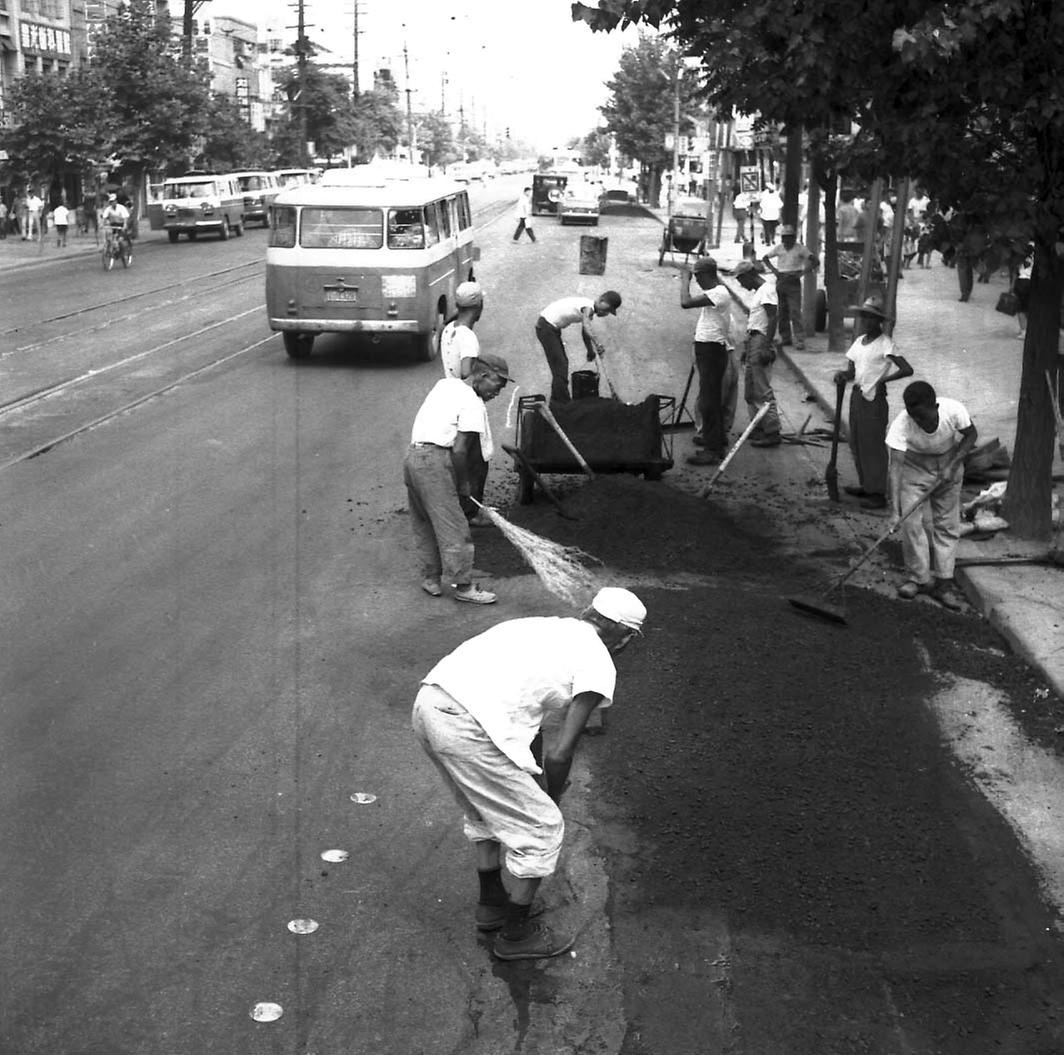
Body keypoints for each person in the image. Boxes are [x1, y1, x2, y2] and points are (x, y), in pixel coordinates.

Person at [412, 586, 646, 961]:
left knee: (484, 806)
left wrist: (531, 777)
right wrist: (550, 798)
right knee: (542, 827)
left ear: (590, 613)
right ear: (625, 635)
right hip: (470, 728)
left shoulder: (538, 627)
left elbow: (532, 728)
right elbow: (561, 750)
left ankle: (492, 905)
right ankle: (516, 936)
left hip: (429, 705)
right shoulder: (599, 662)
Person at [404, 352, 512, 603]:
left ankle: (431, 579)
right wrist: (464, 485)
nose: (499, 391)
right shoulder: (473, 404)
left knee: (424, 521)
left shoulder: (446, 384)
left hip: (412, 458)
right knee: (454, 525)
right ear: (483, 375)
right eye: (498, 383)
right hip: (434, 461)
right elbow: (461, 450)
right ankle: (464, 587)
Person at [887, 381, 978, 611]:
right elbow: (895, 468)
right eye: (914, 417)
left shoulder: (953, 410)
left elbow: (971, 434)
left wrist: (954, 463)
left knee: (946, 524)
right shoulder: (901, 424)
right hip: (914, 469)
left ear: (934, 406)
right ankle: (918, 578)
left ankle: (944, 583)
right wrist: (895, 511)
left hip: (949, 462)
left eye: (922, 416)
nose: (919, 422)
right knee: (911, 522)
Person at [833, 296, 913, 510]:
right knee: (856, 441)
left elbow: (907, 369)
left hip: (874, 399)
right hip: (857, 395)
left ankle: (878, 492)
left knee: (873, 445)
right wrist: (842, 375)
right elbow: (851, 371)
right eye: (864, 318)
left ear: (878, 321)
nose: (866, 322)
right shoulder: (859, 342)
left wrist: (884, 380)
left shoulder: (885, 343)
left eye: (870, 318)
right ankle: (866, 485)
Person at [439, 281, 491, 521]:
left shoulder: (449, 328)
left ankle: (462, 508)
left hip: (448, 394)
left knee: (462, 454)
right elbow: (466, 370)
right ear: (478, 306)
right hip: (463, 399)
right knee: (476, 459)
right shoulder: (468, 336)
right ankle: (470, 512)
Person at [721, 260, 781, 447]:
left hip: (761, 340)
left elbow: (773, 317)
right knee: (751, 389)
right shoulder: (759, 293)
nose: (740, 284)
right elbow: (757, 321)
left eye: (741, 279)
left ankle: (772, 431)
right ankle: (758, 427)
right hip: (754, 339)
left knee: (762, 389)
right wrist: (748, 348)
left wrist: (765, 346)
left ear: (749, 275)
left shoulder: (767, 289)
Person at [680, 256, 732, 465]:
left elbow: (685, 302)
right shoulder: (716, 292)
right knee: (709, 398)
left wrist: (684, 280)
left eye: (697, 277)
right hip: (708, 348)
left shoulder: (719, 292)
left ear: (706, 275)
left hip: (711, 350)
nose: (697, 281)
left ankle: (713, 448)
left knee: (709, 402)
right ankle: (715, 439)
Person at [535, 291, 621, 403]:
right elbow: (586, 326)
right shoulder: (588, 308)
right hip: (546, 328)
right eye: (606, 309)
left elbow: (585, 333)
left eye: (608, 312)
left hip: (550, 329)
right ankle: (563, 403)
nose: (605, 313)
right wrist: (597, 343)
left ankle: (556, 401)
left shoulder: (588, 310)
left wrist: (590, 351)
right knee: (560, 366)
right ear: (601, 300)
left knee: (561, 365)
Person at [762, 224, 818, 351]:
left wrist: (802, 273)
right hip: (781, 279)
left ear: (793, 237)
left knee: (795, 311)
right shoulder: (779, 248)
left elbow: (815, 261)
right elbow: (765, 258)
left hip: (793, 280)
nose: (787, 240)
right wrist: (774, 271)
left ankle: (799, 339)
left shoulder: (800, 249)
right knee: (782, 311)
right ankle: (786, 337)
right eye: (785, 237)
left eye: (789, 237)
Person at [1012, 243, 1033, 340]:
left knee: (1021, 309)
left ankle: (1024, 331)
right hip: (1033, 282)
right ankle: (1029, 330)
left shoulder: (1020, 255)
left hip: (1022, 282)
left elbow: (1015, 271)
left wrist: (1012, 286)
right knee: (1029, 308)